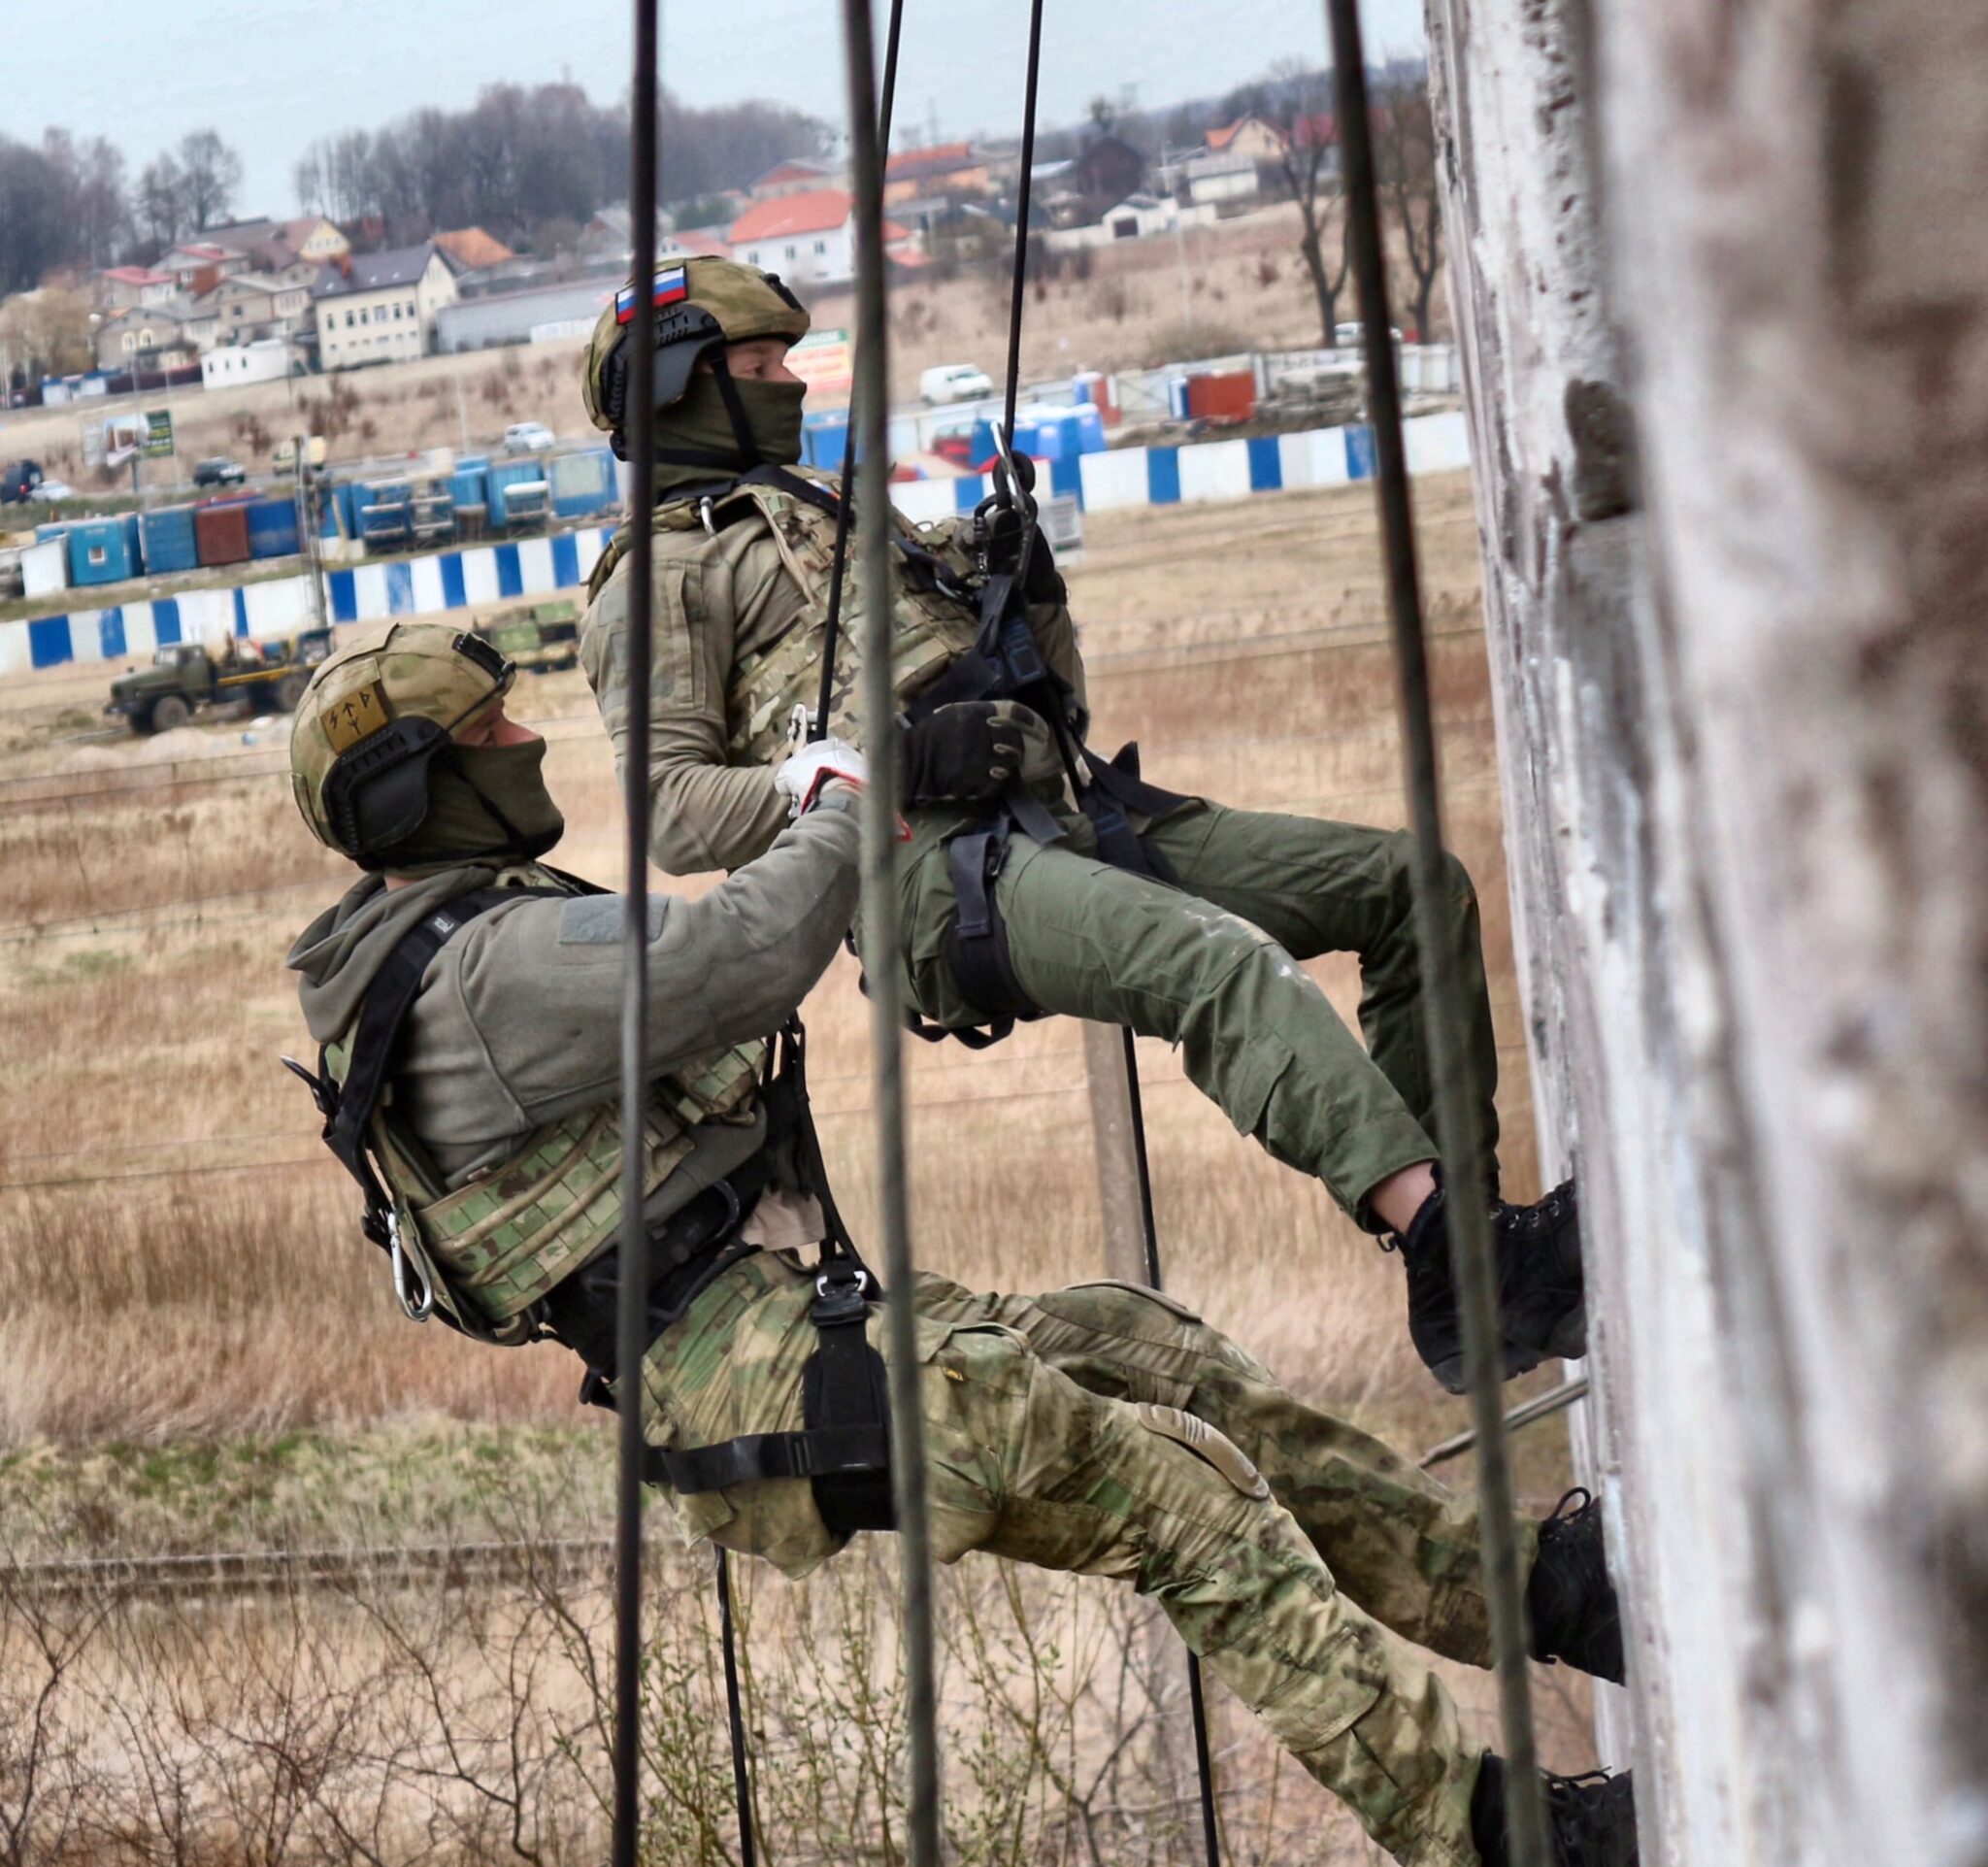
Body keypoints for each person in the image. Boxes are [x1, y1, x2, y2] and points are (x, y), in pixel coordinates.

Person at [282, 620, 1638, 1867]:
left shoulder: (447, 948)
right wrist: (837, 800)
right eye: (490, 731)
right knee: (1181, 1492)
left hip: (785, 1333)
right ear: (423, 789)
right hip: (758, 1368)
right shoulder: (481, 968)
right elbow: (741, 956)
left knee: (1144, 1348)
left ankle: (1530, 1592)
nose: (524, 739)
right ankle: (1497, 1835)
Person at [573, 257, 1584, 1396]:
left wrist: (1028, 592)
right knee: (1217, 964)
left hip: (1062, 809)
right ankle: (1464, 1250)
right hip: (926, 881)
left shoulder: (833, 518)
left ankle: (1464, 1276)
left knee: (1407, 886)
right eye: (759, 367)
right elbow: (671, 811)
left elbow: (1057, 703)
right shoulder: (656, 581)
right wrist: (891, 764)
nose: (790, 386)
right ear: (677, 394)